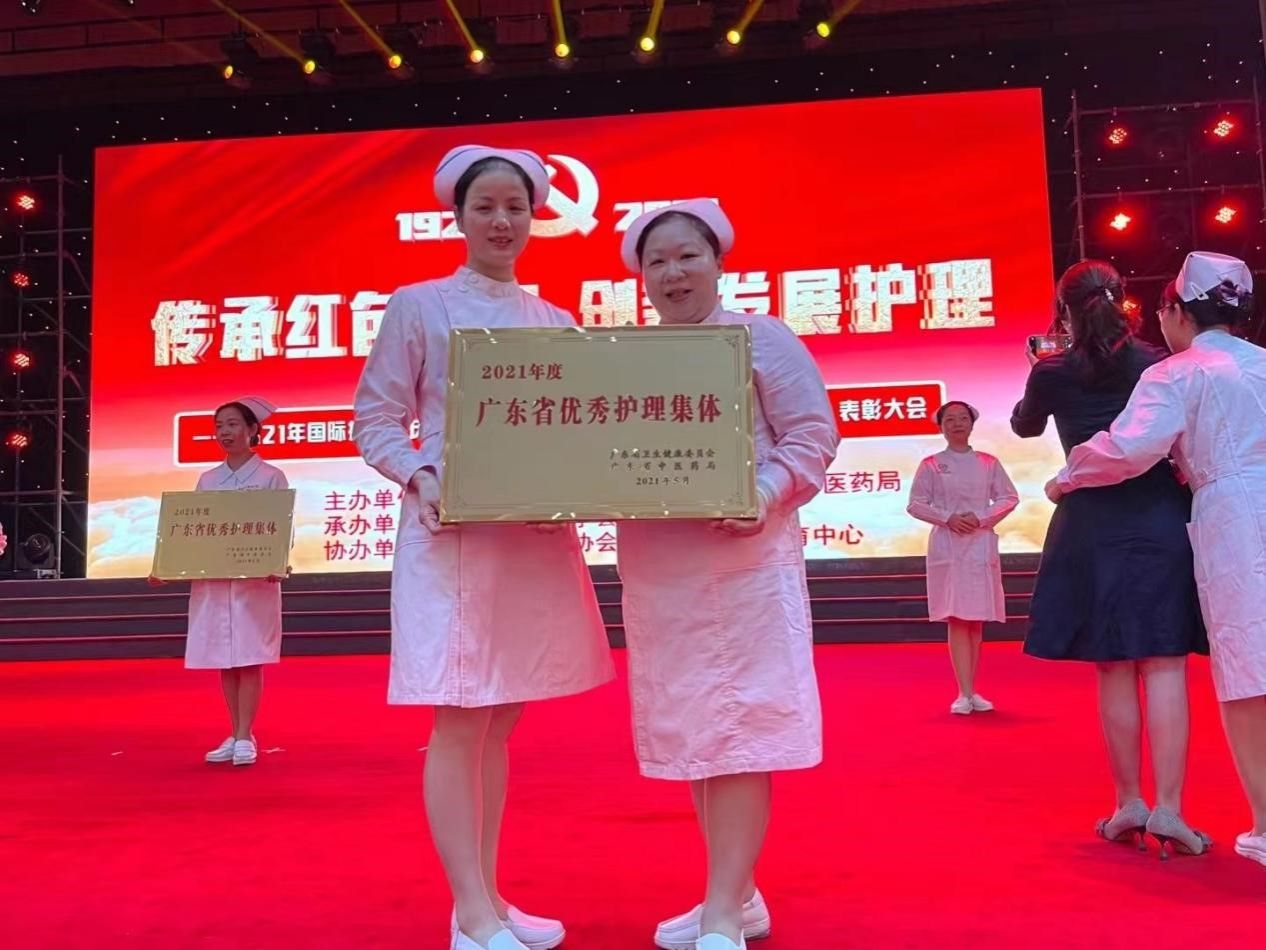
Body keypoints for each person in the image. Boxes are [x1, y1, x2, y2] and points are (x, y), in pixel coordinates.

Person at [353, 145, 614, 950]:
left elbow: (579, 432)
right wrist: (421, 474)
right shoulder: (420, 305)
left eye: (515, 208)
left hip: (530, 541)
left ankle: (492, 900)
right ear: (458, 217)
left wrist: (568, 492)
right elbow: (375, 420)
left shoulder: (556, 323)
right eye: (485, 207)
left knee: (501, 718)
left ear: (535, 218)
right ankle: (468, 912)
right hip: (455, 539)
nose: (502, 221)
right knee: (461, 718)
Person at [614, 200, 839, 950]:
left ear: (718, 264)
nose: (673, 273)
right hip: (661, 569)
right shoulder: (626, 359)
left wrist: (763, 494)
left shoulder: (760, 337)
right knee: (697, 734)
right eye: (657, 261)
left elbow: (812, 435)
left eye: (688, 256)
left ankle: (721, 914)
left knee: (740, 728)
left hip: (745, 565)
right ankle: (737, 897)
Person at [1047, 252, 1265, 865]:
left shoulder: (1179, 372)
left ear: (1176, 312)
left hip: (1232, 514)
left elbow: (1130, 448)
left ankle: (1264, 823)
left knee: (1249, 665)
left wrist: (1067, 476)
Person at [1014, 260, 1210, 856]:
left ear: (1065, 310)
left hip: (1090, 522)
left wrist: (1038, 367)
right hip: (1157, 516)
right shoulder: (1157, 362)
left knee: (1114, 665)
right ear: (1122, 301)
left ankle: (1130, 803)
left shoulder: (1052, 370)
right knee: (1165, 664)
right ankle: (1170, 809)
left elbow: (1024, 427)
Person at [180, 397, 289, 768]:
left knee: (249, 656)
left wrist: (276, 561)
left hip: (254, 581)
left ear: (252, 429)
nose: (224, 432)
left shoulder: (270, 476)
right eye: (219, 426)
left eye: (232, 424)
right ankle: (236, 731)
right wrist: (172, 565)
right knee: (224, 659)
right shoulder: (208, 480)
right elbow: (192, 531)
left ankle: (245, 734)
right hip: (215, 581)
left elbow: (282, 527)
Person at [907, 401, 1018, 714]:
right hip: (949, 546)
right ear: (941, 426)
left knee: (976, 619)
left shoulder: (988, 462)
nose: (957, 424)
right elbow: (916, 503)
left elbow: (1009, 497)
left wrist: (980, 518)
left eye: (962, 418)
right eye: (950, 419)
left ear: (972, 423)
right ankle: (963, 692)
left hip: (980, 543)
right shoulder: (931, 464)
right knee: (957, 616)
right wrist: (948, 518)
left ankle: (972, 690)